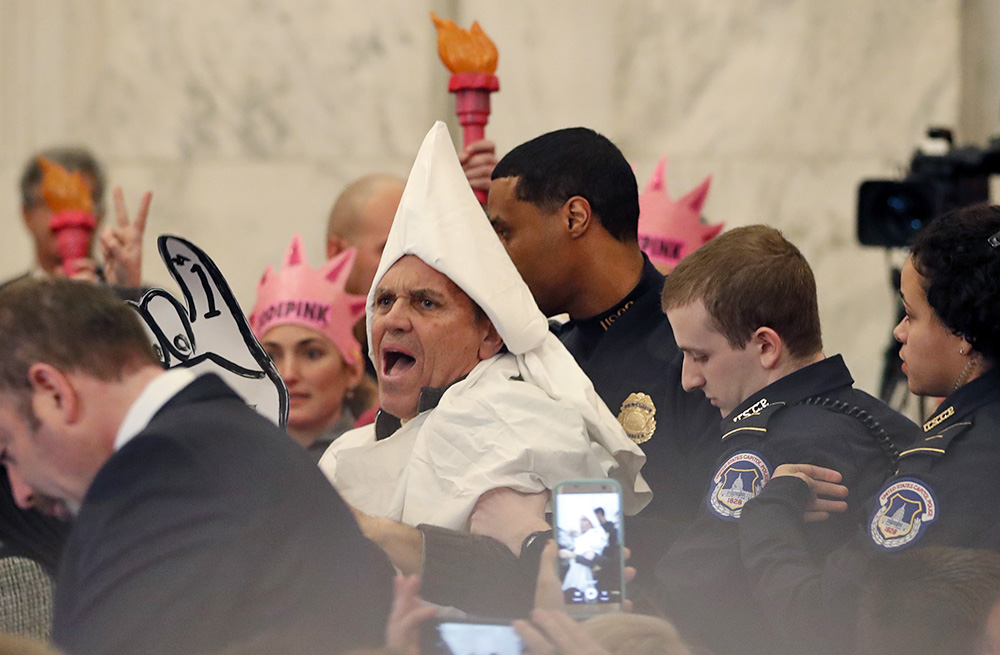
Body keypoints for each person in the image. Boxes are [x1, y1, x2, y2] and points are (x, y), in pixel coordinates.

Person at [0, 278, 393, 655]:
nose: (20, 492)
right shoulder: (218, 442)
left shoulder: (161, 476)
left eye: (8, 450)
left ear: (54, 393)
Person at [319, 122, 648, 565]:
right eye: (383, 300)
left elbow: (593, 586)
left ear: (489, 334)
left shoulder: (546, 435)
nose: (394, 319)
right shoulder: (343, 455)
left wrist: (382, 537)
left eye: (426, 303)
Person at [736, 204, 1000, 654]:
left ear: (963, 333)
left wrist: (768, 515)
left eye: (912, 315)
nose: (898, 332)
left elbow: (823, 618)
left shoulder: (942, 470)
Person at [654, 225, 918, 655]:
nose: (689, 379)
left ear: (765, 346)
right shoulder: (893, 425)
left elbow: (686, 588)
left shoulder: (767, 449)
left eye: (700, 355)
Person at [249, 235, 371, 457]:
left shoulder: (378, 460)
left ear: (353, 371)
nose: (288, 374)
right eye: (271, 356)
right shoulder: (232, 461)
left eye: (312, 354)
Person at [558, 514, 608, 599]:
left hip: (586, 573)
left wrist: (572, 555)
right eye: (581, 520)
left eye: (584, 520)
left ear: (592, 521)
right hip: (574, 571)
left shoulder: (595, 535)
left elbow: (592, 558)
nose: (581, 523)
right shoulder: (582, 536)